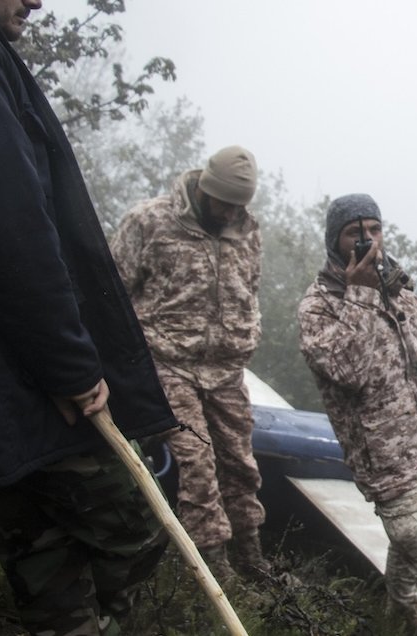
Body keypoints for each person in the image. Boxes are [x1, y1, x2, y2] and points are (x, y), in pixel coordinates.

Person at [0, 0, 178, 633]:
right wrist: (68, 364)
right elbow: (3, 222)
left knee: (43, 560)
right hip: (30, 377)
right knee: (135, 532)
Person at [298, 193, 417, 636]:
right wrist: (359, 294)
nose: (367, 240)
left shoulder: (403, 295)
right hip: (386, 465)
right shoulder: (319, 305)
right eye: (355, 233)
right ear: (334, 240)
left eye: (374, 229)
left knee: (411, 563)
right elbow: (348, 371)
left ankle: (394, 624)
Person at [110, 145, 270, 581]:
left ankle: (251, 560)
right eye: (224, 202)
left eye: (240, 205)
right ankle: (213, 570)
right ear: (204, 187)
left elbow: (248, 290)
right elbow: (112, 293)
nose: (230, 212)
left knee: (241, 465)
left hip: (226, 372)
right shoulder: (150, 222)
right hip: (167, 363)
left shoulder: (247, 230)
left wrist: (247, 331)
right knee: (197, 461)